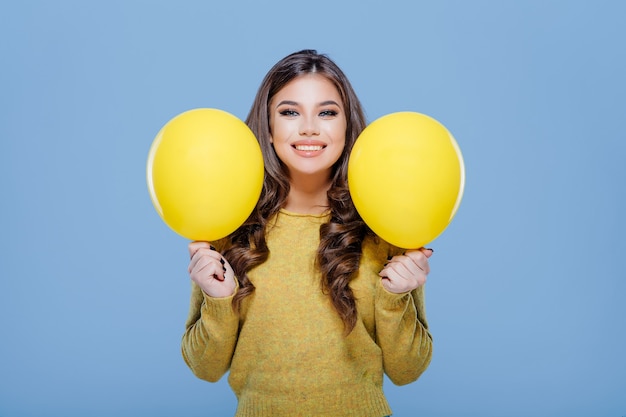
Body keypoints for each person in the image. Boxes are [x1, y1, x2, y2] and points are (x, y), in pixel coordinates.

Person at [182, 49, 434, 417]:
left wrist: (396, 298)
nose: (309, 128)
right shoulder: (229, 228)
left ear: (347, 127)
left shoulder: (386, 227)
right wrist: (218, 301)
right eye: (289, 112)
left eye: (327, 112)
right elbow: (204, 368)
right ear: (268, 128)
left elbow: (408, 370)